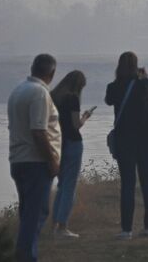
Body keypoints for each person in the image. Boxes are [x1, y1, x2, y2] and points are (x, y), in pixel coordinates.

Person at [8, 54, 61, 262]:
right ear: (52, 73)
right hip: (35, 162)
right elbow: (39, 131)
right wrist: (52, 160)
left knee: (28, 214)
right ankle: (26, 257)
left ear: (32, 68)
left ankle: (25, 254)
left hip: (18, 159)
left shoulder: (18, 90)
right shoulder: (40, 93)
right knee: (35, 214)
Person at [105, 51, 148, 240]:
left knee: (127, 183)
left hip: (124, 141)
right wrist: (144, 77)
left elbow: (108, 100)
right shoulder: (144, 84)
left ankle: (126, 230)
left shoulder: (114, 87)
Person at [49, 70, 91, 239]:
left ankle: (54, 225)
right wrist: (85, 118)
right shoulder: (72, 99)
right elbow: (75, 126)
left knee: (61, 185)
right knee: (69, 186)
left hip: (58, 144)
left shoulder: (53, 97)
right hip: (73, 144)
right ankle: (62, 226)